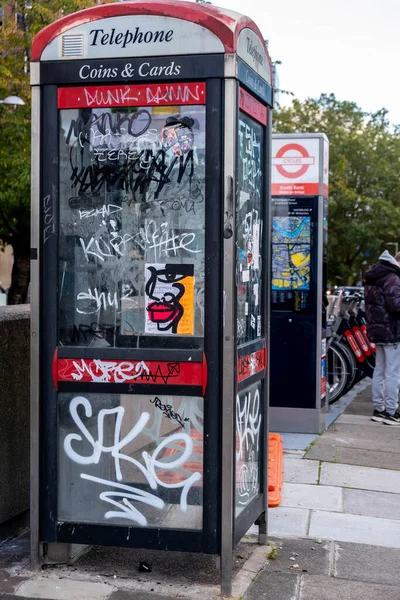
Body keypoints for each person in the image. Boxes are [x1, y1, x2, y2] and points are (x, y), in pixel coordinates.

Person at [364, 249, 400, 425]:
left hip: (377, 330)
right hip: (392, 331)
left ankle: (378, 409)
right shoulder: (392, 278)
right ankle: (392, 412)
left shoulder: (374, 276)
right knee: (393, 372)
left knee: (379, 370)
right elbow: (395, 306)